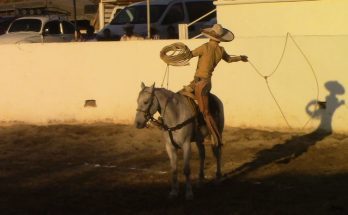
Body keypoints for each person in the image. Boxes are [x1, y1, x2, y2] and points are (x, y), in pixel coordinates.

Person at [187, 24, 248, 146]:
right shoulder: (221, 50)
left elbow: (190, 54)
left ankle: (212, 136)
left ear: (210, 36)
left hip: (200, 82)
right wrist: (241, 57)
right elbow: (230, 59)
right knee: (186, 96)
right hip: (203, 82)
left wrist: (178, 54)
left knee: (204, 111)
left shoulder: (205, 47)